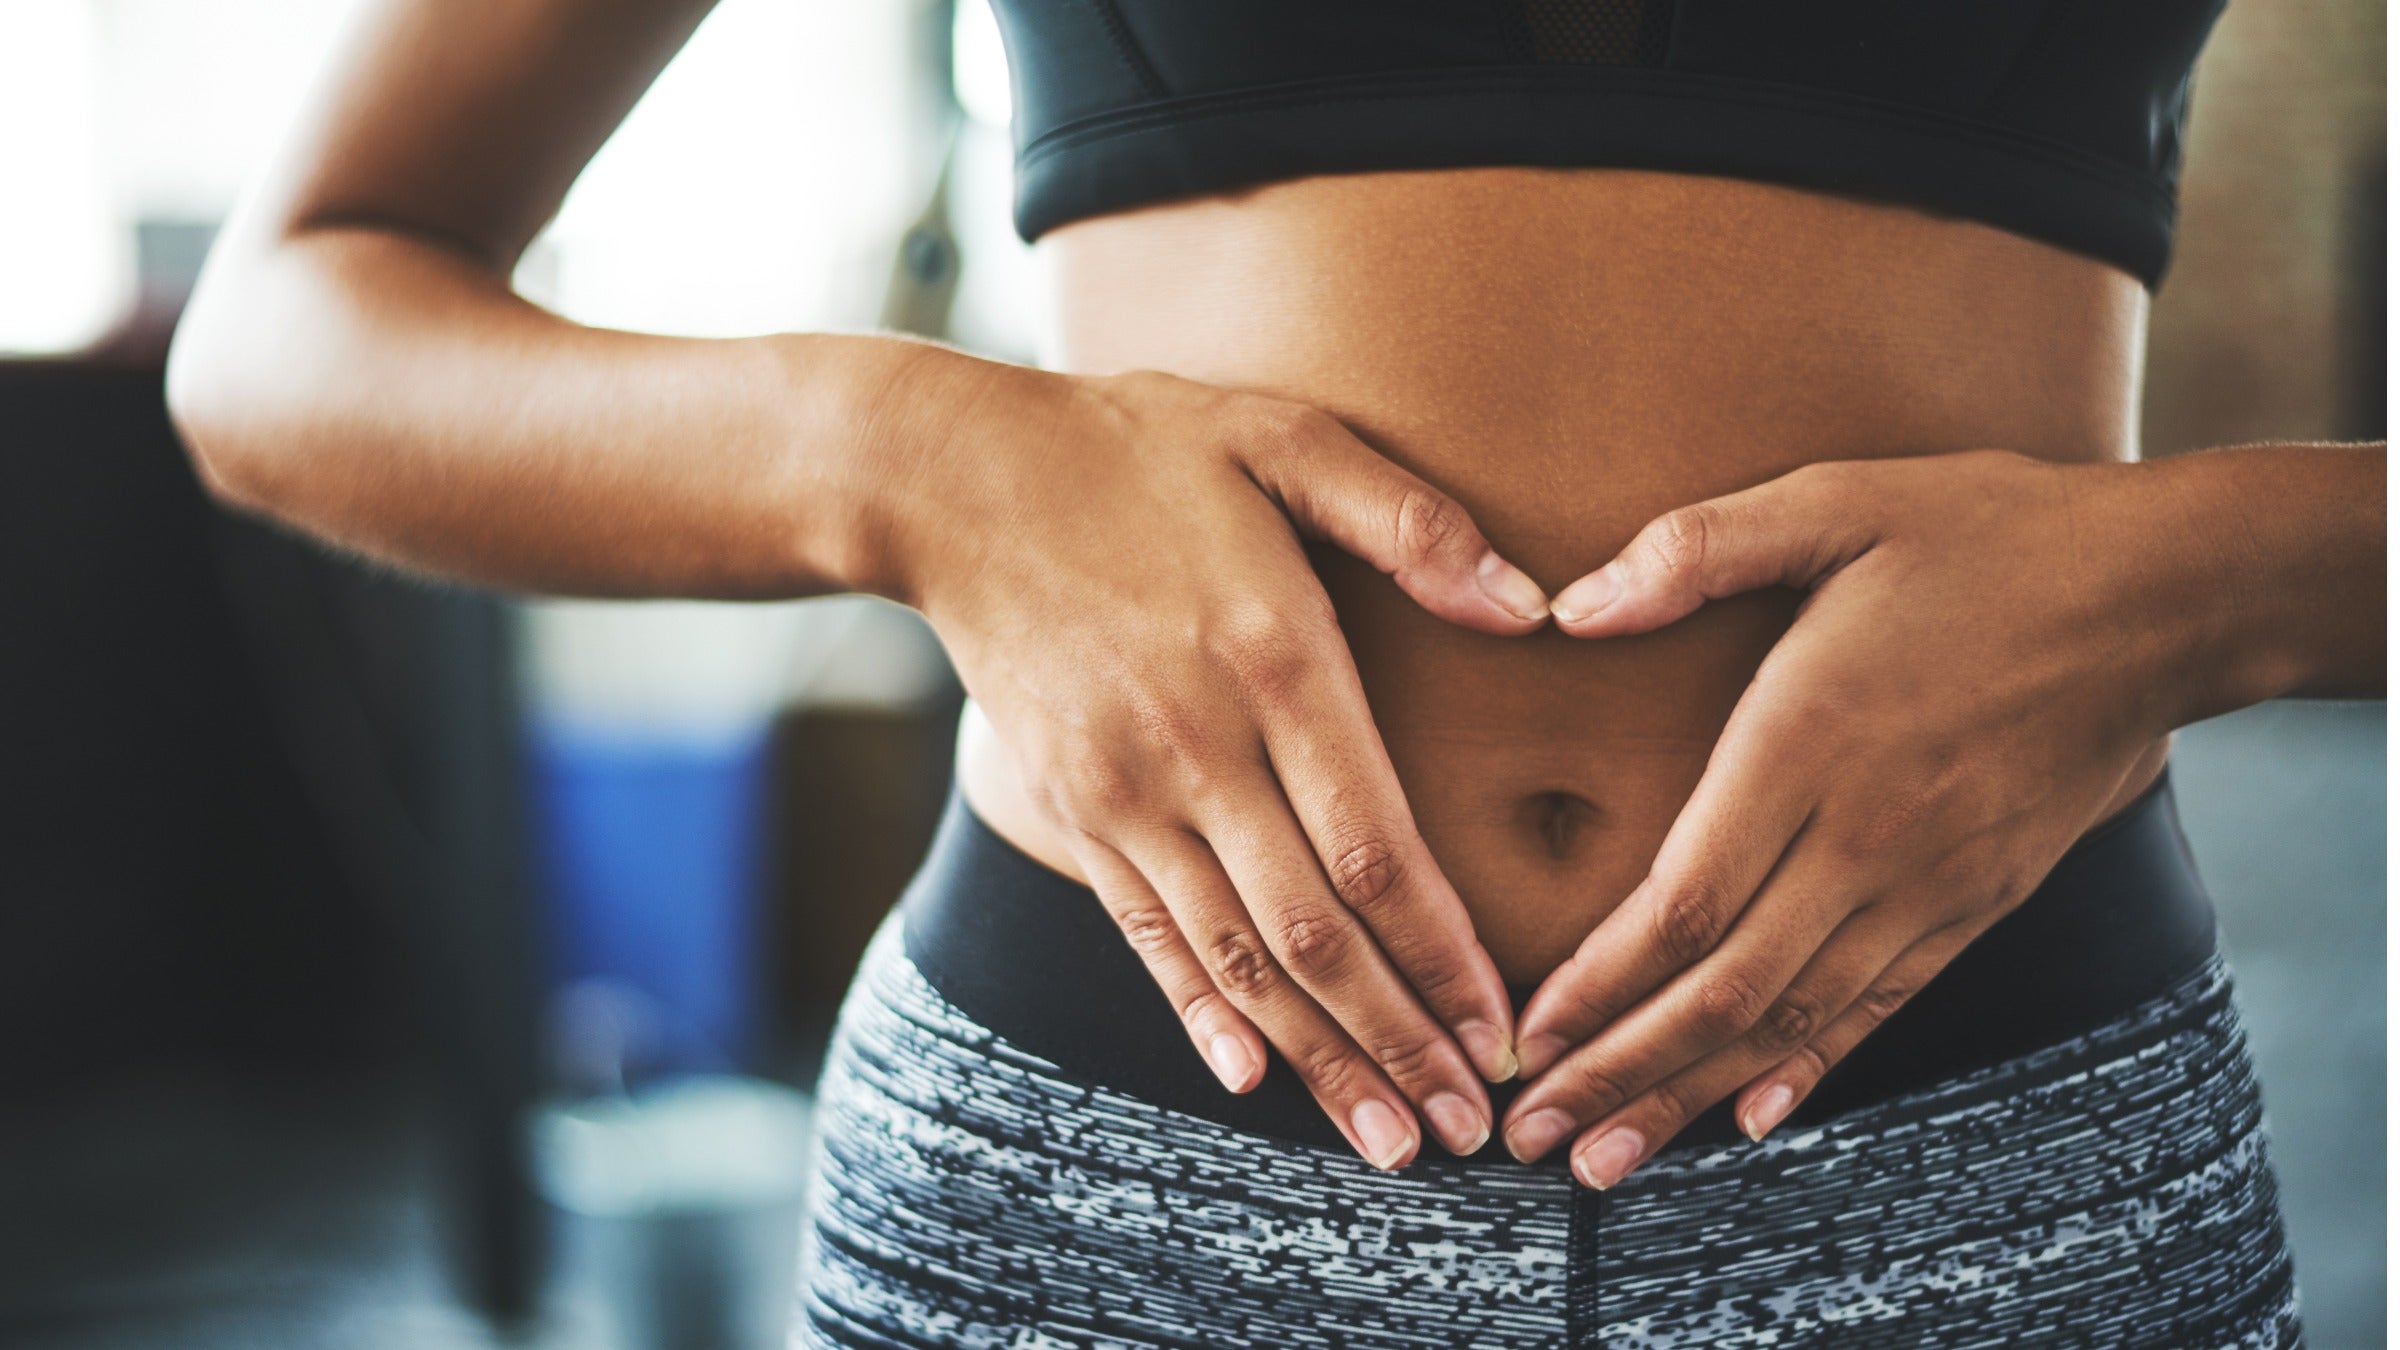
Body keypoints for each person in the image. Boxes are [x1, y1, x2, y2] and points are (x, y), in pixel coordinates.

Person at [168, 0, 2380, 1344]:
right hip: (1103, 1175)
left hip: (1993, 1170)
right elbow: (297, 330)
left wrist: (2222, 580)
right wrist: (906, 459)